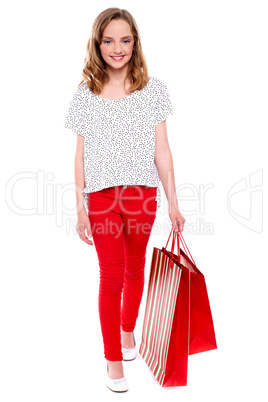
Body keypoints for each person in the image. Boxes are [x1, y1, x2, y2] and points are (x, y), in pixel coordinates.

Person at [64, 7, 185, 393]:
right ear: (98, 44)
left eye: (126, 40)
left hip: (141, 196)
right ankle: (113, 359)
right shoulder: (85, 92)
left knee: (136, 270)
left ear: (135, 43)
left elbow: (162, 151)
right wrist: (80, 206)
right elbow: (80, 154)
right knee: (111, 276)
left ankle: (127, 330)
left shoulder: (154, 89)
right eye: (109, 41)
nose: (118, 49)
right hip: (100, 197)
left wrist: (173, 201)